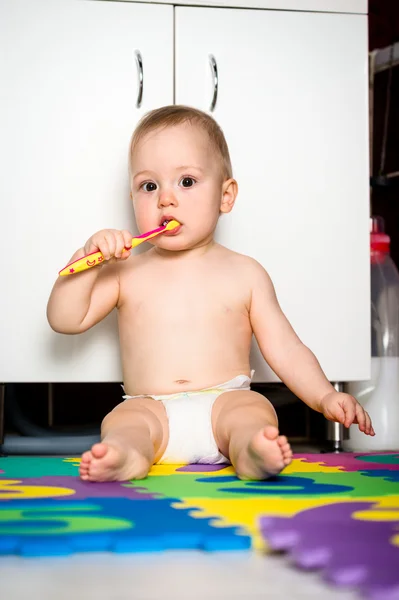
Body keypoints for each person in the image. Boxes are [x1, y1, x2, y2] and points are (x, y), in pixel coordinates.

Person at [47, 105, 374, 482]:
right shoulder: (126, 272)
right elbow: (64, 320)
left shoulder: (245, 273)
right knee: (122, 421)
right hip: (151, 406)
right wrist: (88, 261)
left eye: (186, 182)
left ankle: (251, 449)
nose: (165, 199)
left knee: (253, 408)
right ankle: (128, 455)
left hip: (225, 400)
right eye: (149, 186)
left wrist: (323, 397)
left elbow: (286, 349)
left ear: (225, 196)